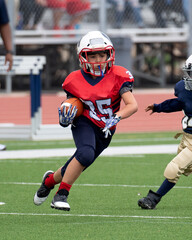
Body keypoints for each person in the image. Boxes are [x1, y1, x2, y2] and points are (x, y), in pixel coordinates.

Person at [33, 31, 138, 211]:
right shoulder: (74, 79)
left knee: (81, 161)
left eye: (102, 54)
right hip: (85, 121)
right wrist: (66, 115)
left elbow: (132, 105)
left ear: (109, 54)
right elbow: (71, 104)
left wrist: (116, 117)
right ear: (83, 57)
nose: (98, 59)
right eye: (93, 55)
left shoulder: (119, 75)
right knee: (85, 154)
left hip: (107, 127)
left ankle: (49, 181)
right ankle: (61, 195)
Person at [138, 55, 192, 209]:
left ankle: (153, 199)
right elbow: (180, 103)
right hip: (187, 138)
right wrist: (158, 107)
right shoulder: (183, 88)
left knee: (175, 168)